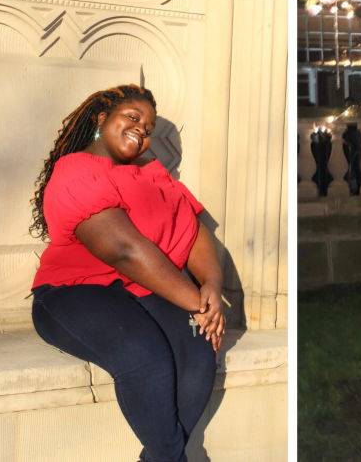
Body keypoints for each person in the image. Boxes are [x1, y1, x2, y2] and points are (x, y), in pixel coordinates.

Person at [28, 85, 226, 462]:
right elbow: (123, 250)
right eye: (133, 117)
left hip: (147, 291)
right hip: (73, 293)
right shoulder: (75, 171)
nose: (142, 130)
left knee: (198, 352)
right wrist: (198, 304)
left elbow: (195, 229)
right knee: (147, 357)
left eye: (149, 127)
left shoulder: (154, 176)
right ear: (101, 119)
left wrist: (211, 287)